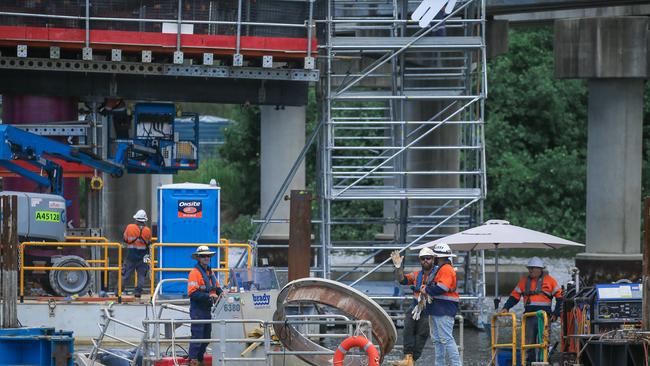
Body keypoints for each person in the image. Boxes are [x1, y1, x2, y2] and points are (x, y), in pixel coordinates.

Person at [500, 257, 563, 364]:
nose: (530, 271)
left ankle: (544, 361)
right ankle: (529, 362)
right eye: (529, 268)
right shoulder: (524, 281)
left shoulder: (550, 281)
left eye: (532, 268)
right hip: (528, 317)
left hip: (544, 317)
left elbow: (560, 298)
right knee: (528, 342)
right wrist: (506, 307)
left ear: (540, 269)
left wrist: (556, 313)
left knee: (544, 341)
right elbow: (514, 296)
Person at [390, 248, 435, 366]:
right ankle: (407, 357)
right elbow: (402, 279)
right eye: (423, 258)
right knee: (408, 330)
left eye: (428, 258)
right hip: (415, 307)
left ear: (433, 259)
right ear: (420, 260)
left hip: (430, 308)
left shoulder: (438, 274)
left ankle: (412, 360)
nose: (425, 260)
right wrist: (398, 266)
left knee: (422, 334)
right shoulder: (416, 275)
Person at [424, 243, 462, 366]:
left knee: (445, 339)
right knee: (438, 340)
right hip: (437, 309)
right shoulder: (443, 268)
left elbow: (442, 287)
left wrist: (427, 290)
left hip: (443, 309)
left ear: (437, 257)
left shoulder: (445, 269)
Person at [188, 245, 222, 366]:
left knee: (206, 336)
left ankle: (200, 358)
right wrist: (209, 296)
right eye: (203, 256)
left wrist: (223, 294)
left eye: (208, 256)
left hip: (207, 309)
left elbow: (217, 288)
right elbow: (192, 293)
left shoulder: (210, 272)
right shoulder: (194, 273)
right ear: (198, 258)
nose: (206, 258)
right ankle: (193, 360)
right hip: (198, 309)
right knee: (197, 335)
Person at [121, 209, 152, 298]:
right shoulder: (148, 230)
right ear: (144, 220)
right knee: (141, 275)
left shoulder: (130, 227)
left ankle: (119, 291)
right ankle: (138, 292)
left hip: (131, 255)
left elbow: (125, 239)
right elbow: (149, 242)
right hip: (144, 256)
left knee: (125, 274)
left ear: (136, 219)